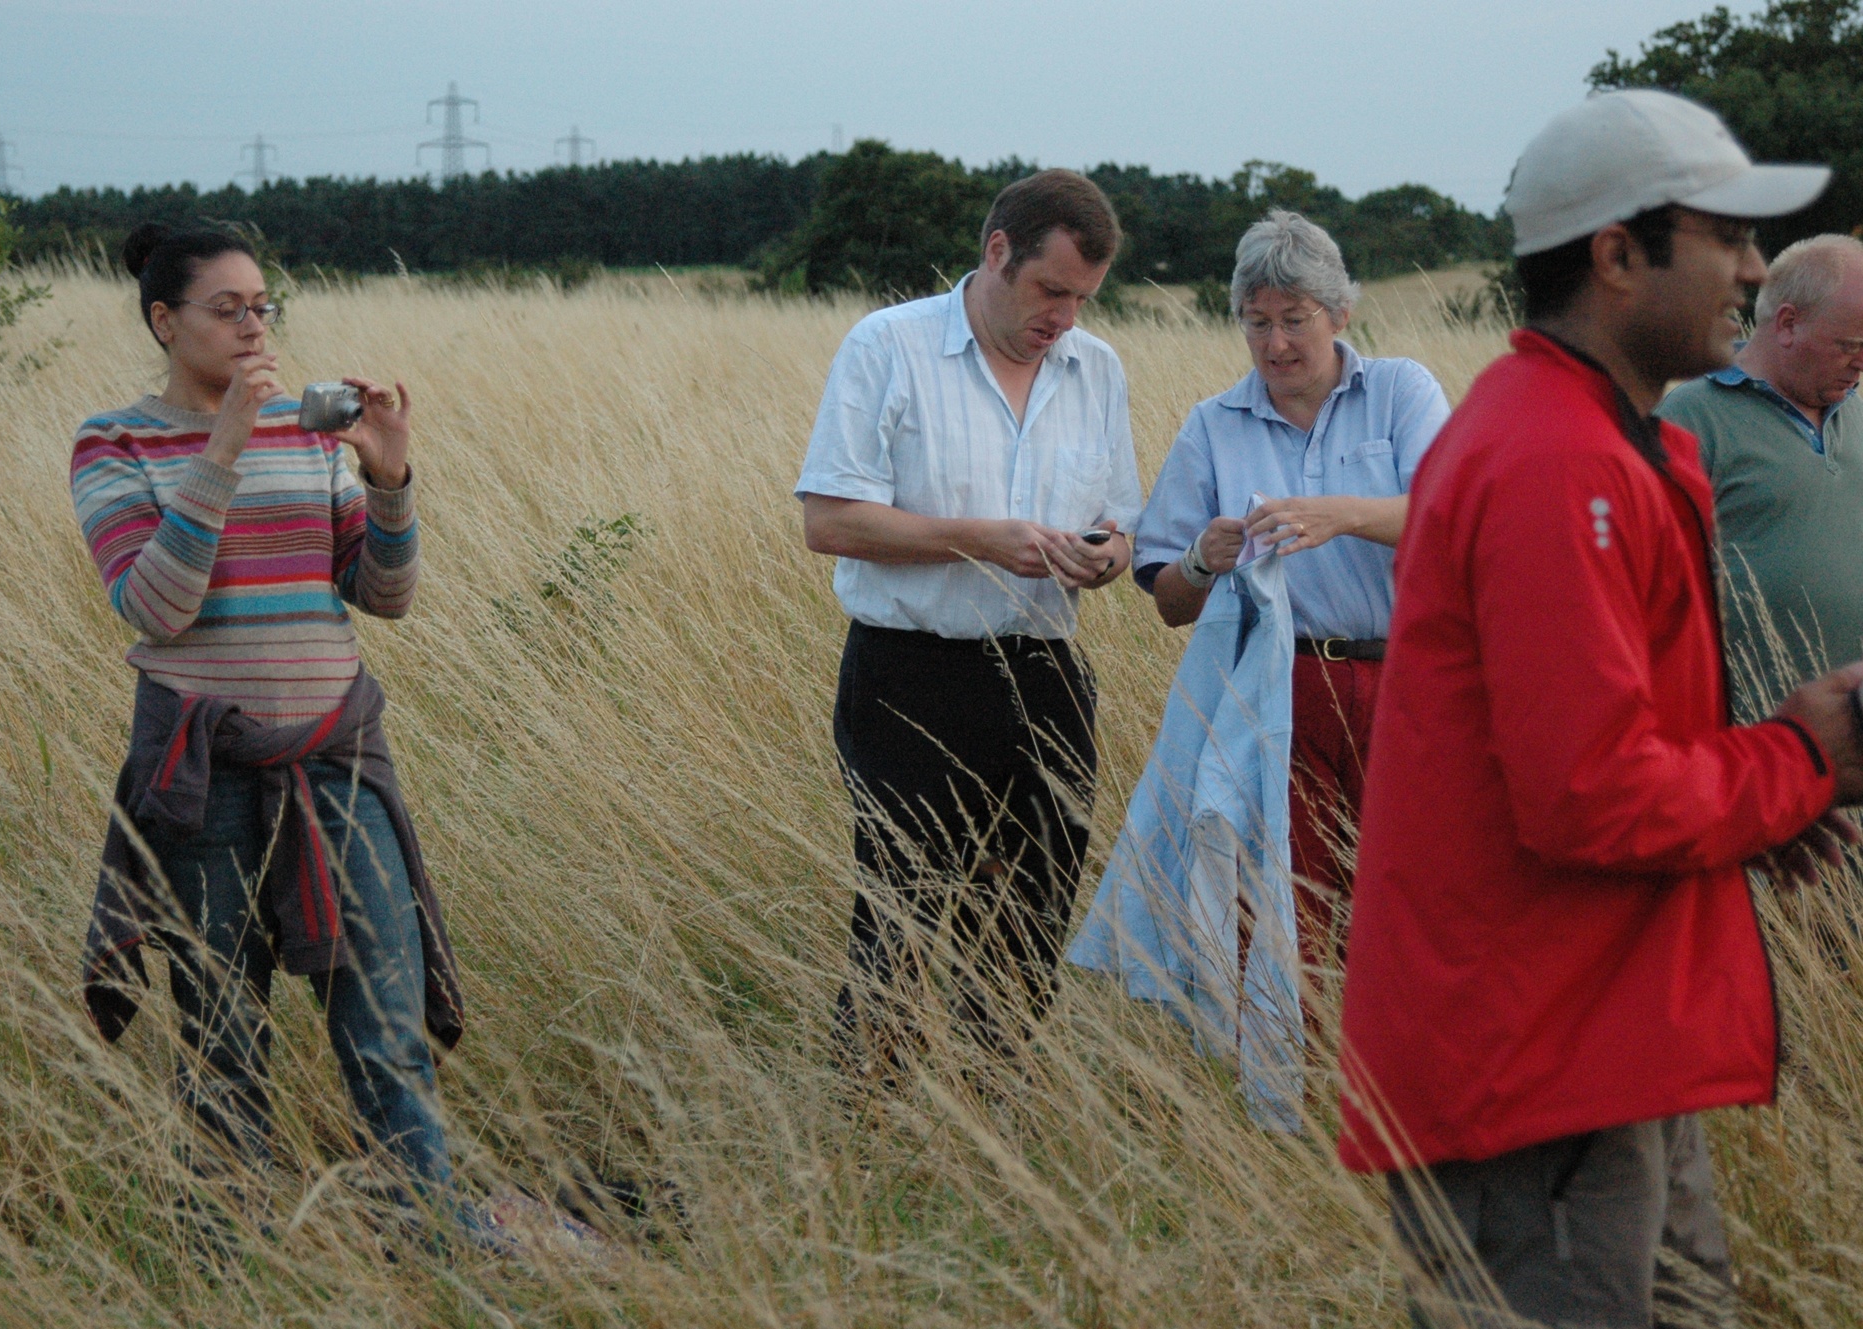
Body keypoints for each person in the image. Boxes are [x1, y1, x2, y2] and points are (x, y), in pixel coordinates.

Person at [1336, 90, 1863, 1328]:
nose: (1750, 271)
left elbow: (1608, 745)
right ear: (1616, 257)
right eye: (1723, 237)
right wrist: (1795, 763)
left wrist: (1754, 811)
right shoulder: (1550, 462)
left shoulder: (1613, 444)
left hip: (1602, 1040)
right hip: (1535, 1062)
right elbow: (1590, 795)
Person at [72, 224, 555, 1252]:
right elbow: (155, 606)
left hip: (334, 759)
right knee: (221, 1032)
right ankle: (230, 1247)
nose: (254, 326)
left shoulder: (305, 431)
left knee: (383, 1018)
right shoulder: (113, 444)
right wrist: (224, 448)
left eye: (263, 306)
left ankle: (427, 1235)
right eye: (227, 309)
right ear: (164, 321)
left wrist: (388, 480)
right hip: (203, 776)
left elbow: (384, 595)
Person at [795, 169, 1144, 1077]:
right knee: (900, 916)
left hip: (1048, 676)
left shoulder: (1097, 369)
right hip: (908, 676)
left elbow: (1123, 526)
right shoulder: (888, 345)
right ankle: (869, 1113)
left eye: (1083, 298)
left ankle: (993, 1111)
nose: (1064, 317)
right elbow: (829, 521)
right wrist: (980, 541)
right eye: (1051, 290)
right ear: (997, 253)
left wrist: (1107, 556)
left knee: (1031, 918)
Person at [1126, 208, 1450, 974]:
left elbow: (1453, 516)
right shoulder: (1213, 425)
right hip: (1275, 693)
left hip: (1404, 684)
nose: (1275, 343)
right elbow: (1169, 600)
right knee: (1285, 913)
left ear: (1340, 313)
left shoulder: (1401, 390)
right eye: (1257, 321)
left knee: (1407, 905)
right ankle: (1289, 1047)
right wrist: (1201, 560)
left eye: (1294, 320)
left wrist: (1342, 515)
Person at [1660, 233, 1863, 716]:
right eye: (1849, 346)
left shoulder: (1856, 410)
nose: (1861, 364)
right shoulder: (1690, 419)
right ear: (1788, 324)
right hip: (1756, 732)